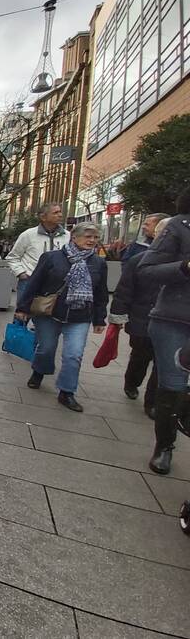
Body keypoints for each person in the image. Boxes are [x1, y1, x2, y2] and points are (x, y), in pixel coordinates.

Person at [16, 222, 108, 413]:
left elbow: (101, 293)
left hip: (80, 315)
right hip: (50, 313)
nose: (92, 241)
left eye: (95, 237)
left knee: (74, 354)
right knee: (46, 348)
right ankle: (39, 370)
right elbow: (34, 283)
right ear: (74, 237)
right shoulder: (52, 258)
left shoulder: (98, 263)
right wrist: (23, 308)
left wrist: (100, 319)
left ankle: (66, 392)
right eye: (87, 236)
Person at [137, 189, 190, 475]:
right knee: (173, 385)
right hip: (175, 320)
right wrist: (184, 267)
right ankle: (165, 446)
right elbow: (147, 270)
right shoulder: (179, 226)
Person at [109, 217, 172, 419]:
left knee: (163, 363)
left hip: (171, 323)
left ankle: (152, 402)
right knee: (140, 356)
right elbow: (124, 289)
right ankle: (132, 382)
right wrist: (118, 316)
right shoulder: (140, 260)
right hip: (143, 318)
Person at [6, 201, 70, 299]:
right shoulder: (28, 234)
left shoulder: (68, 236)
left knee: (52, 313)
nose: (60, 215)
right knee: (24, 313)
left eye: (60, 212)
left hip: (58, 284)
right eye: (55, 213)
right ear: (43, 217)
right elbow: (13, 257)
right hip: (30, 281)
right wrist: (21, 273)